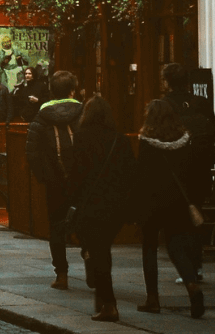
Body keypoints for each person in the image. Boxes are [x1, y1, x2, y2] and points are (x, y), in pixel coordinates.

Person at [67, 95, 136, 322]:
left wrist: (73, 199)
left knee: (98, 253)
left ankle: (108, 303)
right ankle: (102, 294)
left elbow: (76, 174)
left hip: (91, 204)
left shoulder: (81, 138)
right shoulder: (121, 140)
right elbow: (129, 174)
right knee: (101, 249)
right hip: (114, 205)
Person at [135, 99, 206, 318]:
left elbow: (142, 175)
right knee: (176, 248)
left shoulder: (146, 142)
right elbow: (193, 173)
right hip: (176, 203)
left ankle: (153, 298)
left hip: (152, 202)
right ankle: (192, 286)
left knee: (149, 249)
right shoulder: (185, 141)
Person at [161, 63, 215, 285]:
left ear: (167, 82)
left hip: (175, 171)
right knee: (195, 214)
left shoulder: (164, 106)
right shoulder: (201, 103)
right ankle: (196, 265)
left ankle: (187, 267)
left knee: (177, 221)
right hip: (200, 170)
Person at [25, 70, 83, 290]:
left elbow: (31, 152)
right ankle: (91, 264)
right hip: (81, 179)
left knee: (57, 226)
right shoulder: (83, 113)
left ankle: (61, 274)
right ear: (72, 91)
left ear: (51, 91)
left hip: (54, 181)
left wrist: (44, 176)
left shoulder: (41, 117)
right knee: (85, 222)